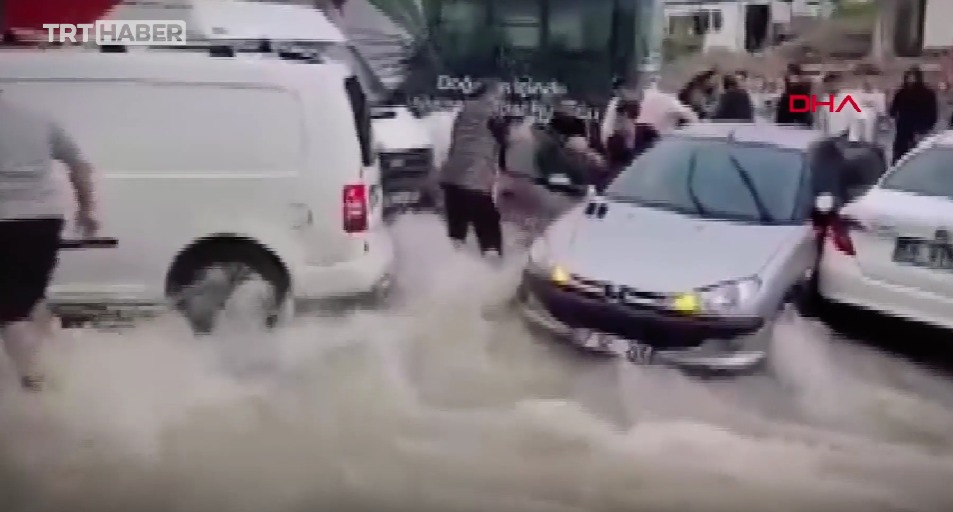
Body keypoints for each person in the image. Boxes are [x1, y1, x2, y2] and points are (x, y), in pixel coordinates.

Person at [0, 96, 98, 391]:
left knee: (10, 309)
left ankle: (37, 385)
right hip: (43, 220)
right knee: (30, 298)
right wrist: (86, 209)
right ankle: (58, 365)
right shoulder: (38, 116)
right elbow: (79, 165)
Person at [439, 80, 505, 257]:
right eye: (499, 96)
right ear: (490, 95)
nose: (500, 100)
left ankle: (451, 264)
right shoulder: (492, 115)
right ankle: (492, 265)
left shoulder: (462, 113)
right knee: (488, 227)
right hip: (475, 182)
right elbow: (508, 141)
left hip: (452, 178)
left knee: (456, 233)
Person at [889, 66, 938, 164]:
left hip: (915, 129)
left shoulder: (903, 92)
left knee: (914, 155)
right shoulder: (902, 93)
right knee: (908, 155)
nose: (911, 82)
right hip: (908, 130)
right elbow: (893, 110)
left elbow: (892, 111)